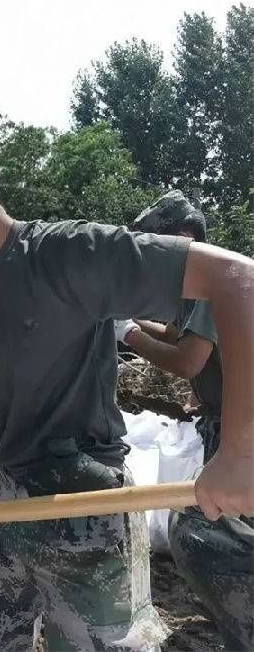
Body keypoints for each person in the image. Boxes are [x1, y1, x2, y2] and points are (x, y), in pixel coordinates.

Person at [0, 101, 254, 651]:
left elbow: (237, 278)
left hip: (89, 513)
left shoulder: (68, 254)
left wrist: (239, 451)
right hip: (11, 506)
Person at [118, 189, 252, 650]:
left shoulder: (218, 287)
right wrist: (135, 321)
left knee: (200, 533)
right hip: (230, 429)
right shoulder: (208, 287)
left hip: (241, 433)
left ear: (181, 237)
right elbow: (179, 334)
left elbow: (189, 360)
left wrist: (129, 333)